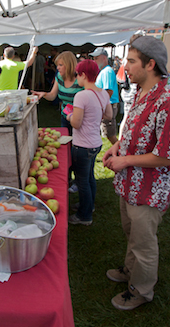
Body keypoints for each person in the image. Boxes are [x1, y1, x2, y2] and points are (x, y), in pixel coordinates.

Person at [103, 35, 170, 311]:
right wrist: (117, 146)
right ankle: (130, 272)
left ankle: (141, 290)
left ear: (150, 64)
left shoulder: (168, 101)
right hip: (131, 185)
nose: (125, 66)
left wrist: (126, 161)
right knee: (132, 233)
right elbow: (134, 133)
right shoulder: (140, 93)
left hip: (149, 190)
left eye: (131, 60)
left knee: (144, 243)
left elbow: (168, 155)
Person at [66, 59, 112, 226]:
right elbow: (109, 115)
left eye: (77, 74)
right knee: (90, 177)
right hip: (95, 143)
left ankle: (84, 215)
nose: (76, 78)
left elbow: (76, 124)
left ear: (83, 75)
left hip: (82, 145)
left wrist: (69, 115)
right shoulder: (103, 93)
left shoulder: (81, 95)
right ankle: (89, 205)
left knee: (82, 181)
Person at [32, 51, 83, 136]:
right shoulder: (59, 77)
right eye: (57, 65)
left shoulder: (80, 79)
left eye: (60, 65)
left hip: (79, 118)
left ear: (69, 65)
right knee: (66, 141)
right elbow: (52, 95)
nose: (57, 68)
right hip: (65, 115)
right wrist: (44, 94)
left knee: (77, 145)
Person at [90, 47, 120, 145]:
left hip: (109, 105)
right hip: (107, 105)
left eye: (96, 58)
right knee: (107, 133)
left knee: (109, 134)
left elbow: (108, 91)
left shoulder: (107, 71)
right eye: (93, 58)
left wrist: (102, 106)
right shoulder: (105, 71)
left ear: (104, 58)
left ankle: (120, 152)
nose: (94, 61)